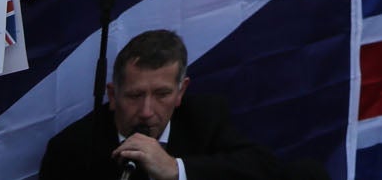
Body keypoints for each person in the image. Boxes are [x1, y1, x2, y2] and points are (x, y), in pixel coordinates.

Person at [40, 28, 278, 180]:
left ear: (180, 91)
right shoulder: (71, 150)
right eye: (134, 96)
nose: (146, 112)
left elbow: (261, 167)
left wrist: (177, 169)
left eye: (162, 94)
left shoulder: (206, 118)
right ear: (113, 95)